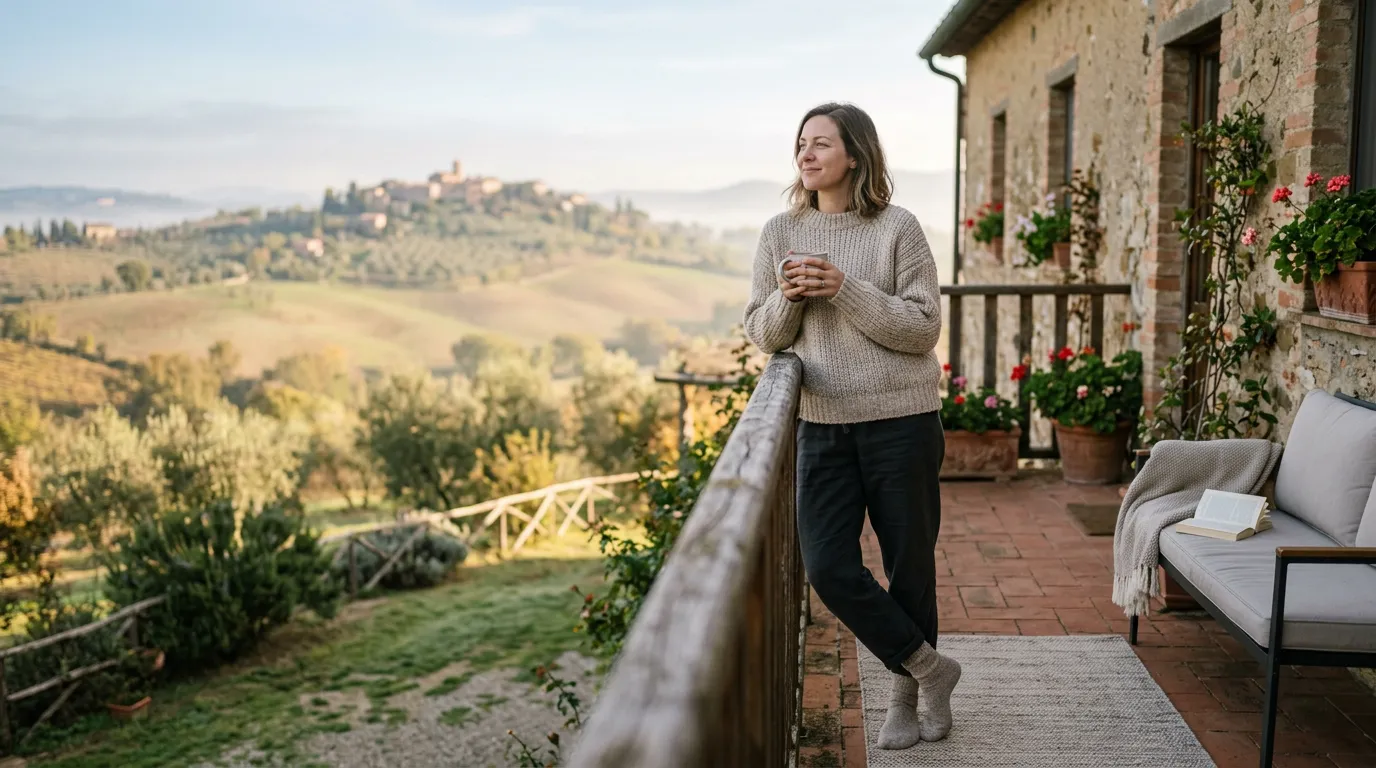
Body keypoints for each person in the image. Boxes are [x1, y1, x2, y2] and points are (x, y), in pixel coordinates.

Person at [743, 102, 959, 750]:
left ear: (856, 156)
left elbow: (922, 328)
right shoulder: (780, 232)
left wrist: (843, 288)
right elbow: (762, 332)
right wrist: (790, 296)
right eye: (802, 144)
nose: (806, 155)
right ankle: (929, 668)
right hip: (823, 423)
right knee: (829, 567)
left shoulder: (898, 228)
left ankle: (904, 699)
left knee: (909, 568)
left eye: (821, 145)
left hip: (902, 420)